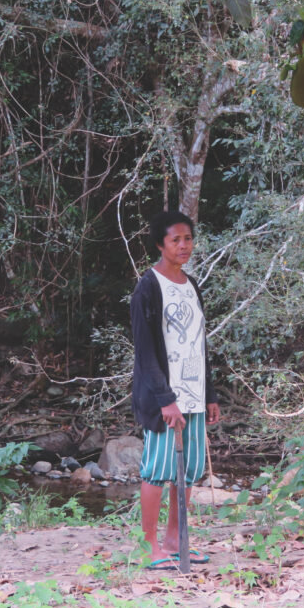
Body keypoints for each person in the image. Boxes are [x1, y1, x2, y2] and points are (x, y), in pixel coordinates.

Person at [130, 210, 221, 569]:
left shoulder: (191, 284)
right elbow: (145, 352)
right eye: (175, 240)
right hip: (164, 399)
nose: (184, 246)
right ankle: (148, 546)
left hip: (194, 394)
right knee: (158, 469)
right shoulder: (148, 287)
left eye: (188, 239)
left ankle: (174, 540)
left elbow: (199, 344)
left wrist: (210, 394)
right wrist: (165, 400)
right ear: (160, 244)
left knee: (188, 470)